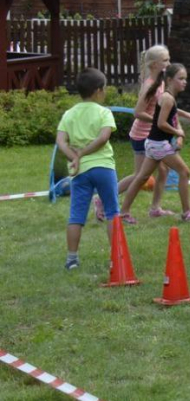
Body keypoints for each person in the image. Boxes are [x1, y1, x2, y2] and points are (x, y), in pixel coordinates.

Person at [119, 64, 190, 222]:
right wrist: (177, 132)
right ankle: (187, 212)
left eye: (185, 79)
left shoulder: (168, 97)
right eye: (181, 79)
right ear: (169, 80)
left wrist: (183, 117)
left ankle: (124, 212)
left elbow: (169, 117)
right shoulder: (167, 98)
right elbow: (160, 123)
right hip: (159, 145)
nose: (185, 82)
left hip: (154, 143)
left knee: (141, 177)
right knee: (184, 172)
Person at [56, 68, 119, 269]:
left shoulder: (69, 114)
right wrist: (82, 154)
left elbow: (61, 141)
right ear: (98, 90)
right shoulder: (104, 112)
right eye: (105, 88)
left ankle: (71, 259)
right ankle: (116, 258)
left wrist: (74, 156)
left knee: (76, 215)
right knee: (112, 212)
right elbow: (103, 138)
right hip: (103, 167)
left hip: (79, 172)